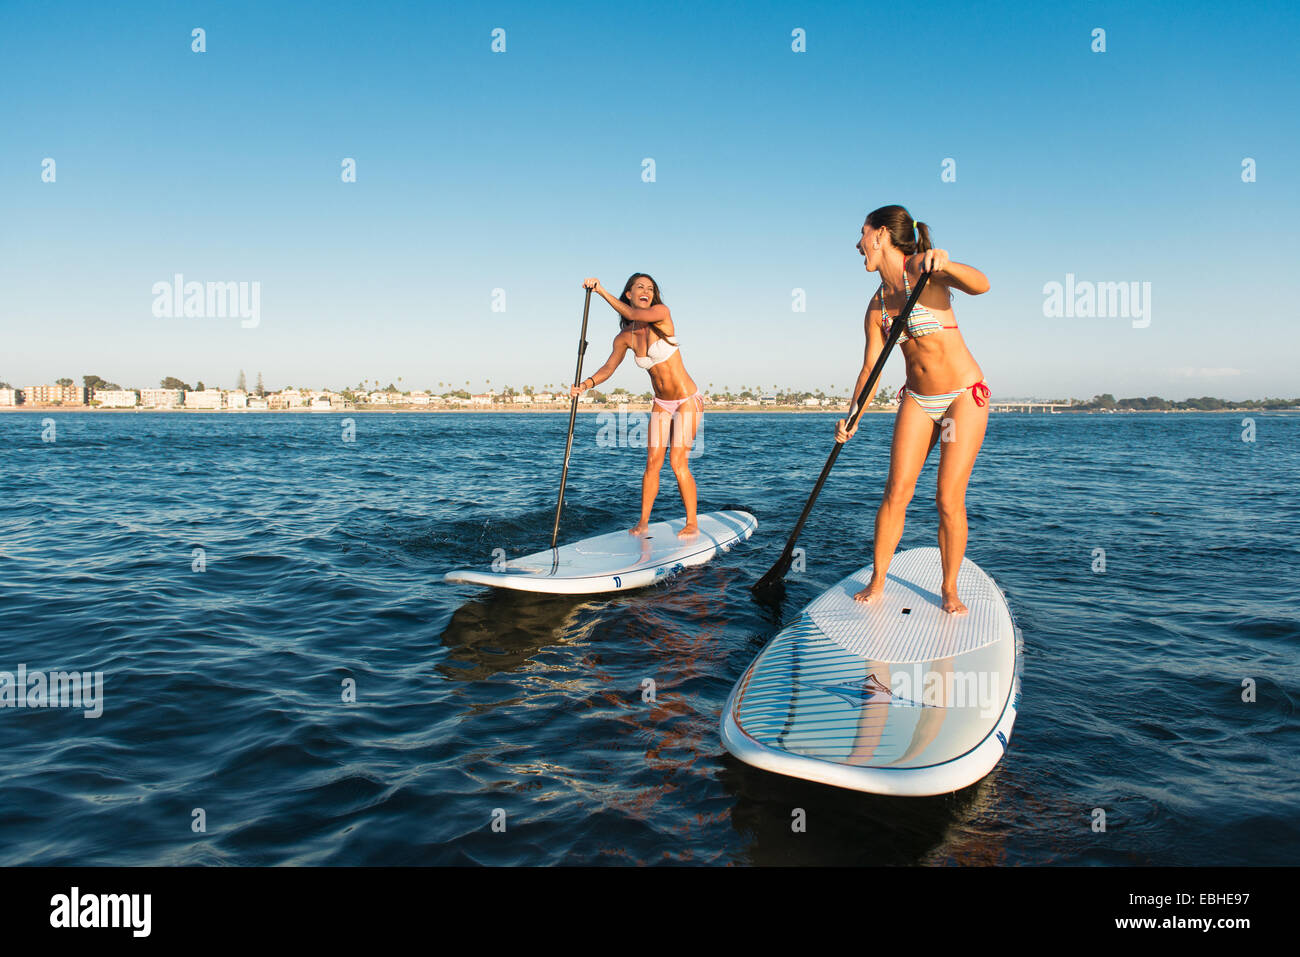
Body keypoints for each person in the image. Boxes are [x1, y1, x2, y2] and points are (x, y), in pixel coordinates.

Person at [835, 205, 991, 614]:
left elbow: (982, 285)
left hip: (962, 395)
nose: (857, 244)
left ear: (882, 235)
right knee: (896, 492)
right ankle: (878, 581)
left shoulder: (921, 267)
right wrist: (853, 416)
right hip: (919, 399)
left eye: (862, 234)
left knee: (947, 498)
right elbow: (871, 368)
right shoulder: (877, 306)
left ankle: (949, 588)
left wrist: (949, 264)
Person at [571, 273, 703, 538]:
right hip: (662, 403)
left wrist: (600, 291)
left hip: (687, 400)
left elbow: (634, 313)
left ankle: (692, 523)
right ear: (629, 293)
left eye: (651, 288)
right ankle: (643, 522)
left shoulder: (661, 314)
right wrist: (584, 385)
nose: (646, 291)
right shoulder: (624, 338)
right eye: (640, 287)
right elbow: (609, 367)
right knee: (652, 463)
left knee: (678, 463)